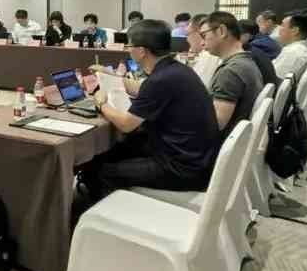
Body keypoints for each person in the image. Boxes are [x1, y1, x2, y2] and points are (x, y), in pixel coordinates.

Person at [78, 19, 220, 201]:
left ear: (142, 51)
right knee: (114, 151)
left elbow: (126, 124)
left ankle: (102, 211)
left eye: (130, 45)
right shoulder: (176, 70)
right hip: (194, 157)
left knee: (101, 171)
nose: (128, 50)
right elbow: (143, 88)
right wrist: (110, 75)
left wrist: (101, 104)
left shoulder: (160, 79)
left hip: (181, 168)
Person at [200, 12, 264, 140]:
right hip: (240, 140)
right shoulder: (246, 61)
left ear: (222, 31)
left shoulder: (230, 72)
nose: (202, 43)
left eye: (204, 35)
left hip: (220, 144)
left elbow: (215, 125)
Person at [273, 11, 307, 79]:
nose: (278, 29)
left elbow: (274, 79)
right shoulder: (305, 48)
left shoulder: (292, 52)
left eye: (282, 25)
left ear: (295, 31)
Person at [239, 19, 280, 87]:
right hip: (271, 86)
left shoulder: (254, 46)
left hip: (265, 86)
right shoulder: (264, 38)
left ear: (247, 35)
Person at [186, 14, 221, 89]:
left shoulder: (209, 55)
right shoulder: (208, 53)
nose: (187, 39)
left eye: (188, 34)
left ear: (200, 33)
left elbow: (194, 87)